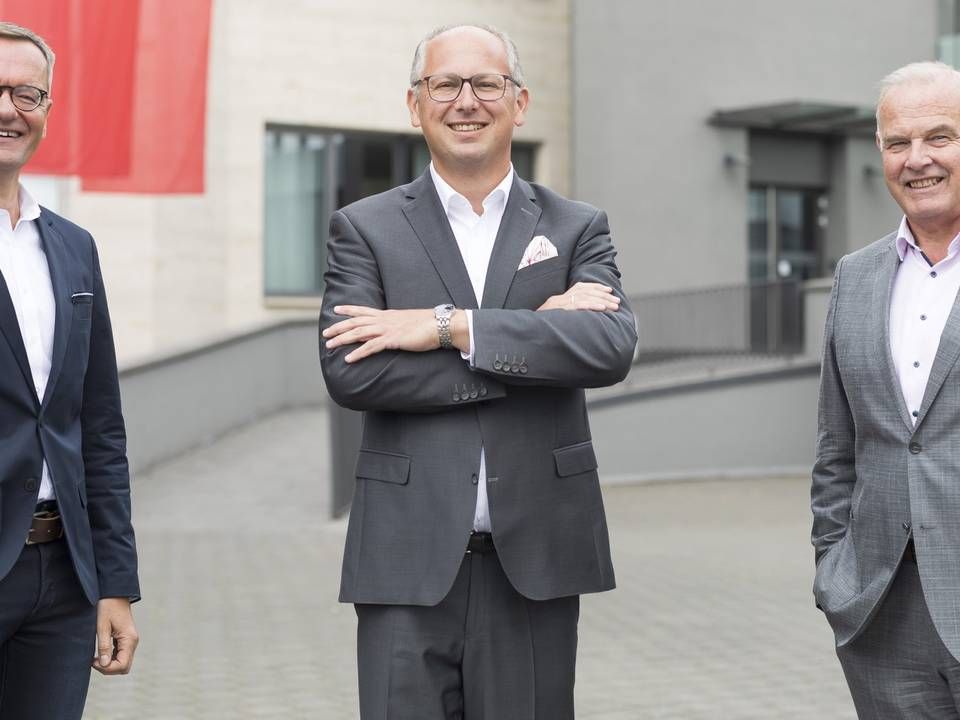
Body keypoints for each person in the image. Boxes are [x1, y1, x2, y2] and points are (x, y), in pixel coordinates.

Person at [320, 23, 636, 720]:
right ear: (415, 104)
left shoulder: (575, 226)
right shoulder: (364, 227)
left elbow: (609, 348)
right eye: (446, 84)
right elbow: (353, 373)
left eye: (486, 83)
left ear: (518, 102)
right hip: (405, 556)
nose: (467, 101)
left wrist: (448, 328)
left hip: (537, 560)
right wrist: (535, 338)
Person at [812, 60, 960, 717]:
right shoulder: (856, 276)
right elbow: (835, 448)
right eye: (898, 143)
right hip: (883, 617)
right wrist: (833, 570)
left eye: (939, 138)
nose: (917, 160)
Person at [0, 22, 139, 720]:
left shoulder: (74, 247)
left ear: (48, 111)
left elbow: (99, 424)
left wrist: (114, 584)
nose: (9, 109)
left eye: (28, 94)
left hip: (63, 579)